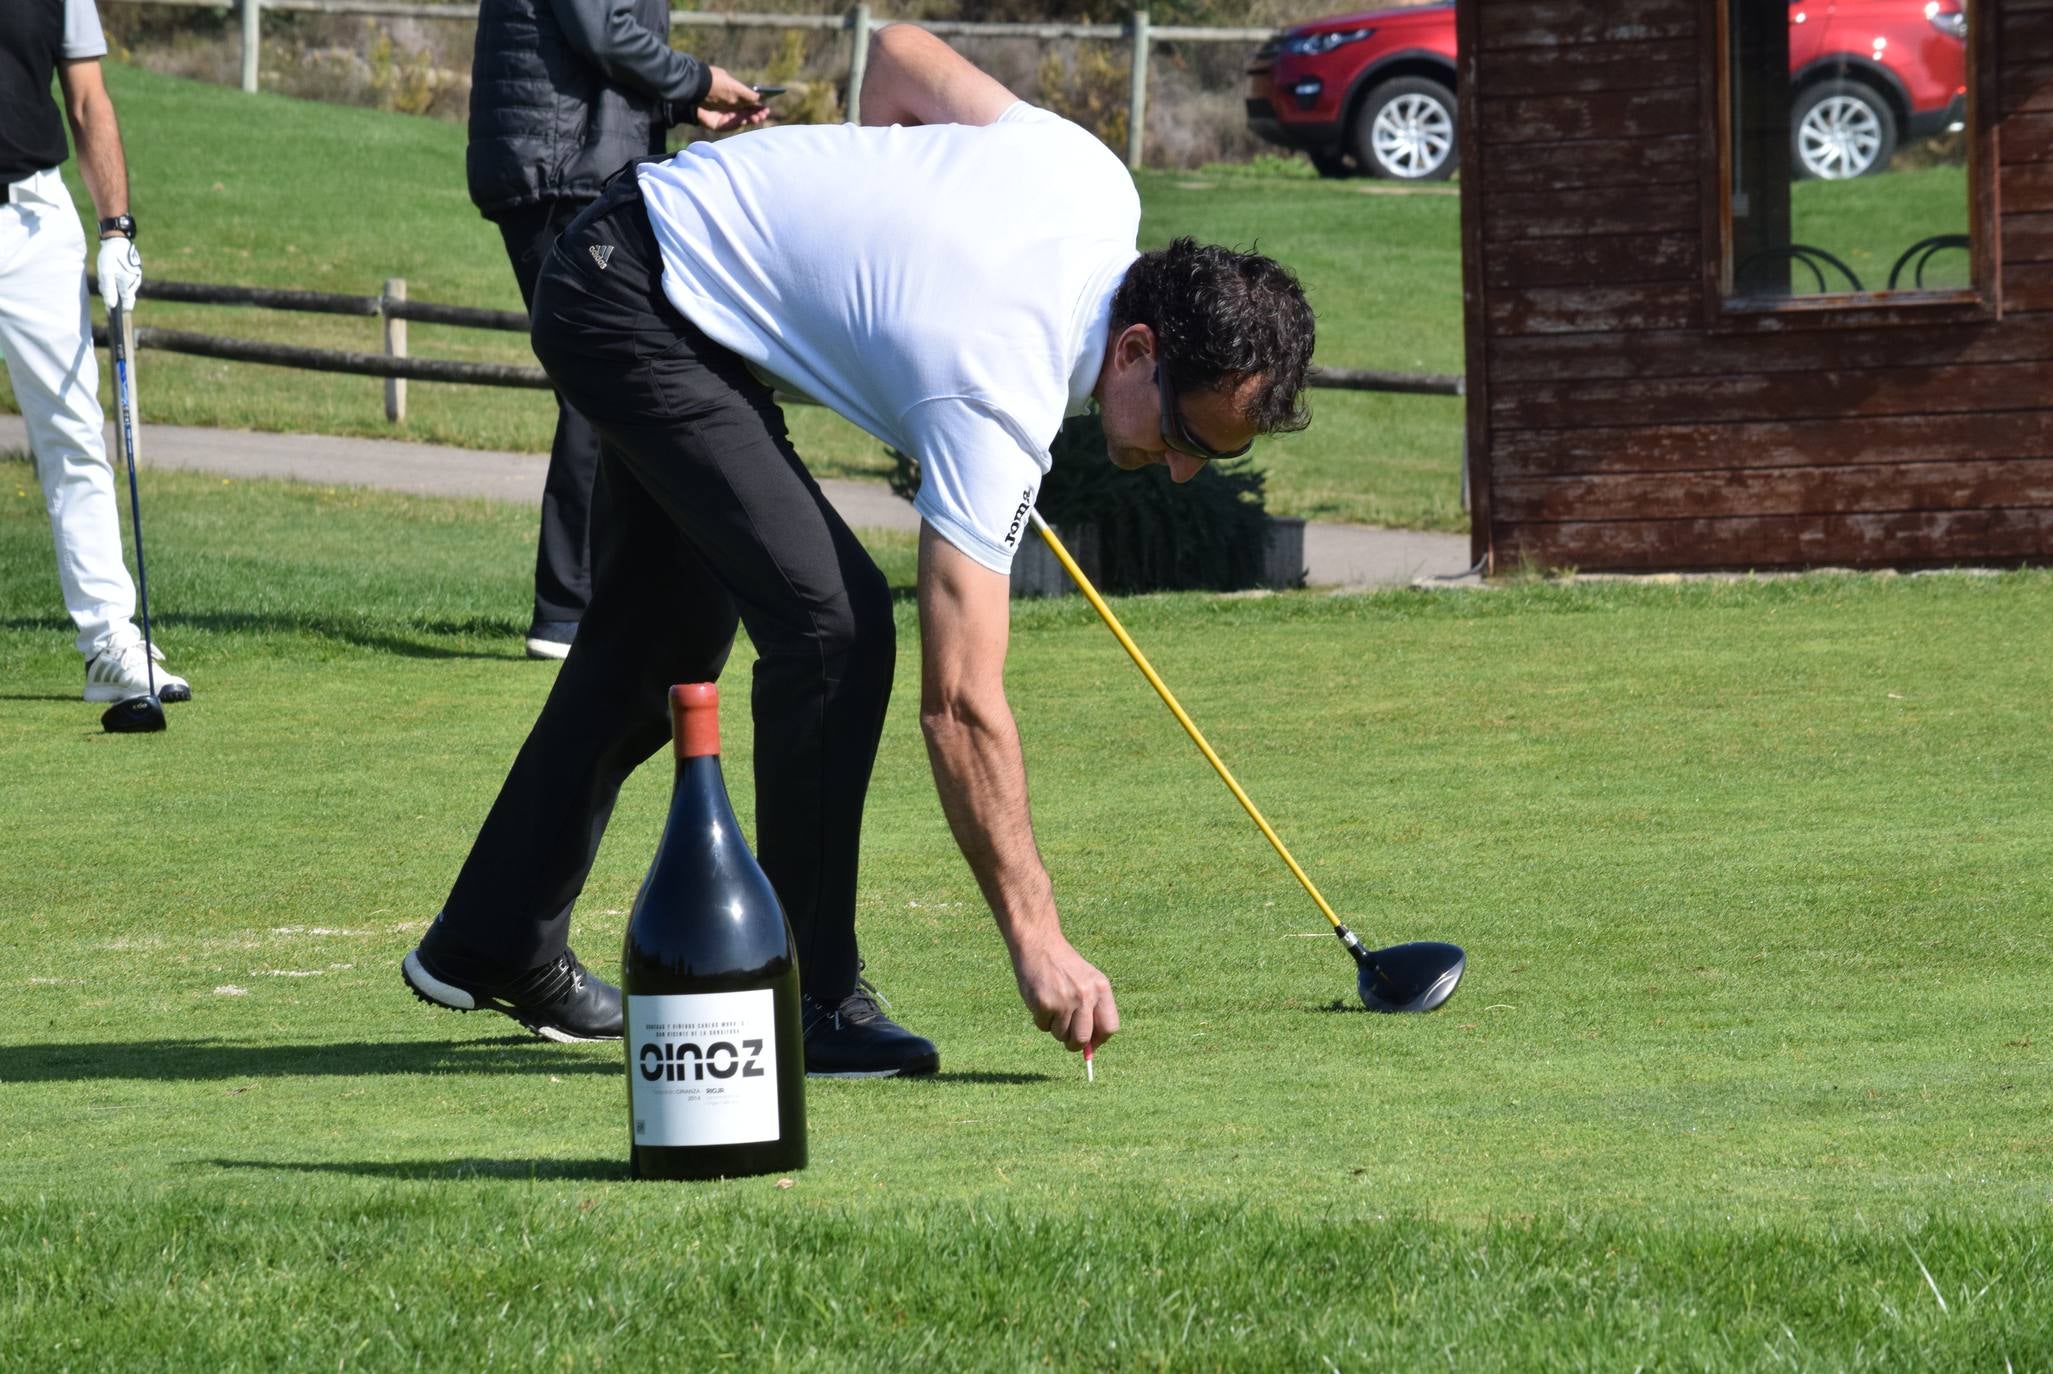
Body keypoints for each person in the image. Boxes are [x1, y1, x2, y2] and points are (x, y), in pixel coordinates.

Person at [402, 24, 1315, 1075]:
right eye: (1190, 437)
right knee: (834, 629)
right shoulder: (998, 389)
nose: (1187, 469)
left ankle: (489, 939)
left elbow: (898, 56)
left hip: (652, 269)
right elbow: (961, 704)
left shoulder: (1096, 183)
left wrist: (868, 238)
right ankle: (811, 1000)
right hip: (629, 295)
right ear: (1138, 348)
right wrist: (1038, 940)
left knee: (664, 638)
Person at [466, 0, 770, 660]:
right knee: (603, 383)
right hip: (559, 173)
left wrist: (684, 104)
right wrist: (696, 80)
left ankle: (600, 603)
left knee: (612, 382)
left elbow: (596, 54)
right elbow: (600, 32)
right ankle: (569, 614)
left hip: (569, 164)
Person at [2, 0, 190, 707]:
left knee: (76, 436)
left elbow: (87, 100)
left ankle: (110, 643)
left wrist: (116, 230)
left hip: (33, 220)